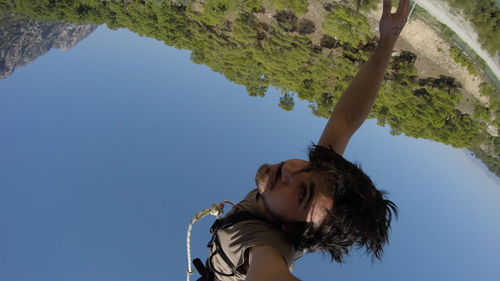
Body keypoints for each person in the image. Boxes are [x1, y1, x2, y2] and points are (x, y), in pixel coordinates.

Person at [202, 1, 410, 280]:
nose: (290, 171)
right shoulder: (312, 187)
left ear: (291, 229)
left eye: (303, 194)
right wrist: (387, 41)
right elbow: (345, 120)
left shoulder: (267, 246)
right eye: (309, 168)